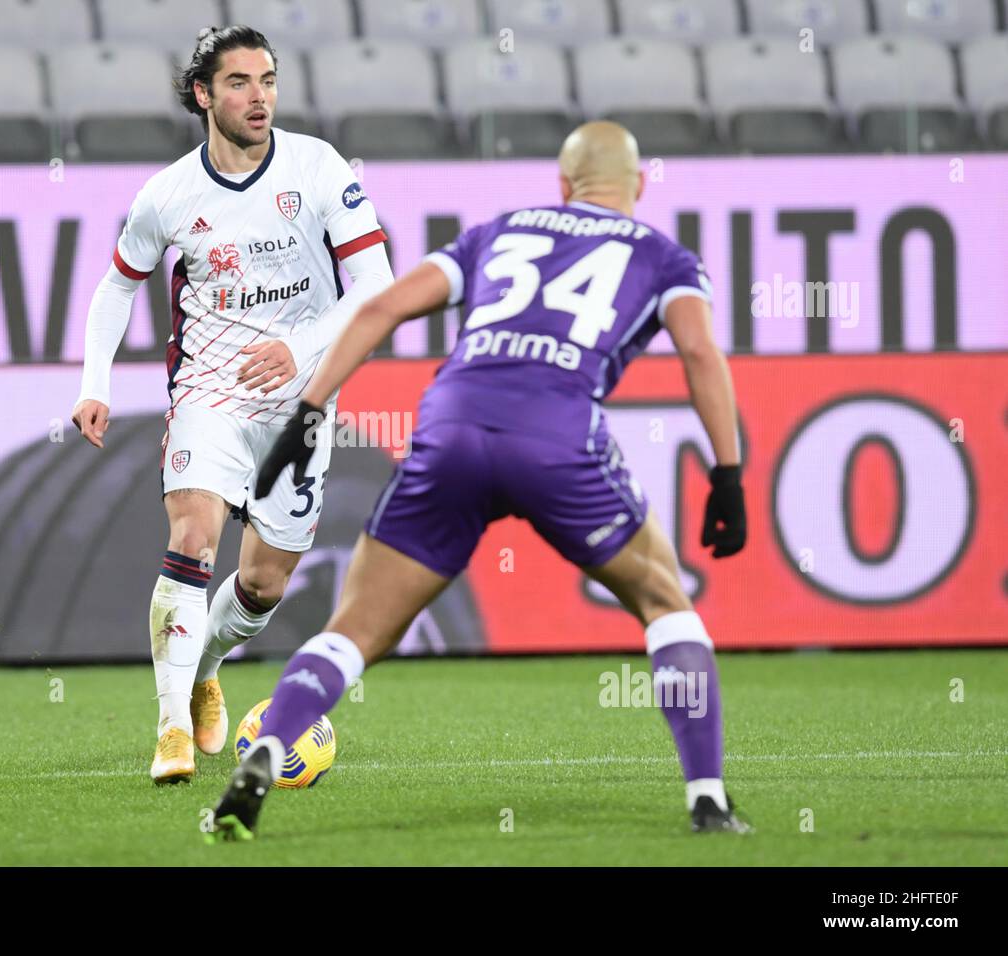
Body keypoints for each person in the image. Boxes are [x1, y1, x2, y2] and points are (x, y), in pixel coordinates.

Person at [208, 120, 753, 838]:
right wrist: (727, 471)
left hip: (452, 427)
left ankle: (269, 751)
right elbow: (699, 353)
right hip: (558, 439)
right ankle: (708, 799)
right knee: (665, 601)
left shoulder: (498, 231)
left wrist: (308, 415)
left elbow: (379, 307)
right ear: (639, 186)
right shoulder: (664, 257)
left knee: (355, 629)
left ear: (562, 186)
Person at [72, 26, 393, 783]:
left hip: (302, 399)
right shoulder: (169, 194)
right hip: (207, 391)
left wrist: (303, 347)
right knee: (192, 535)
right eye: (241, 82)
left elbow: (379, 284)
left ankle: (207, 664)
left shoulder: (317, 167)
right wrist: (95, 381)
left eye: (269, 80)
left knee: (262, 584)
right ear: (203, 95)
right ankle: (171, 726)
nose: (260, 97)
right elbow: (120, 282)